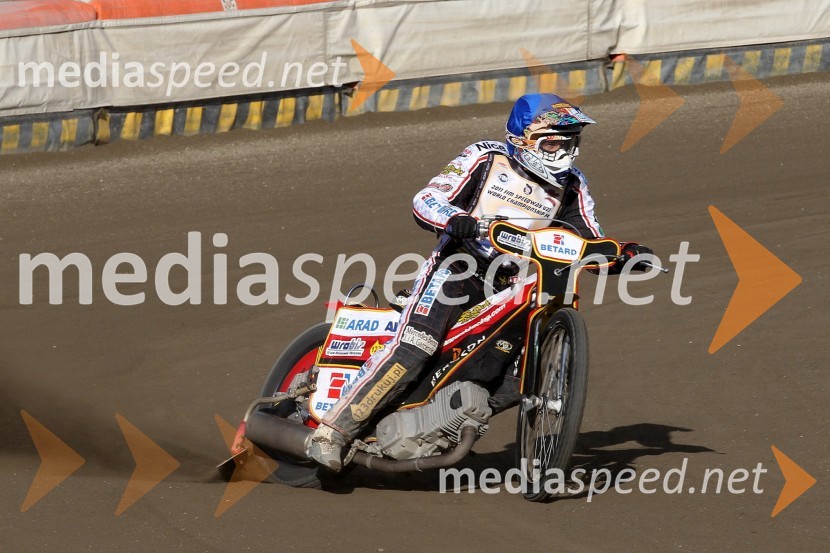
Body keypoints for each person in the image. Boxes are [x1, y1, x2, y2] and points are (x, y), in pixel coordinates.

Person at [307, 93, 653, 470]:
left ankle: (440, 425)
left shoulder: (572, 184)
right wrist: (455, 219)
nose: (565, 151)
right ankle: (332, 432)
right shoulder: (486, 156)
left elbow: (586, 239)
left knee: (515, 376)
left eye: (571, 141)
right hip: (458, 267)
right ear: (524, 138)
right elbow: (427, 199)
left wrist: (623, 255)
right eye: (554, 141)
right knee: (417, 346)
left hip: (514, 283)